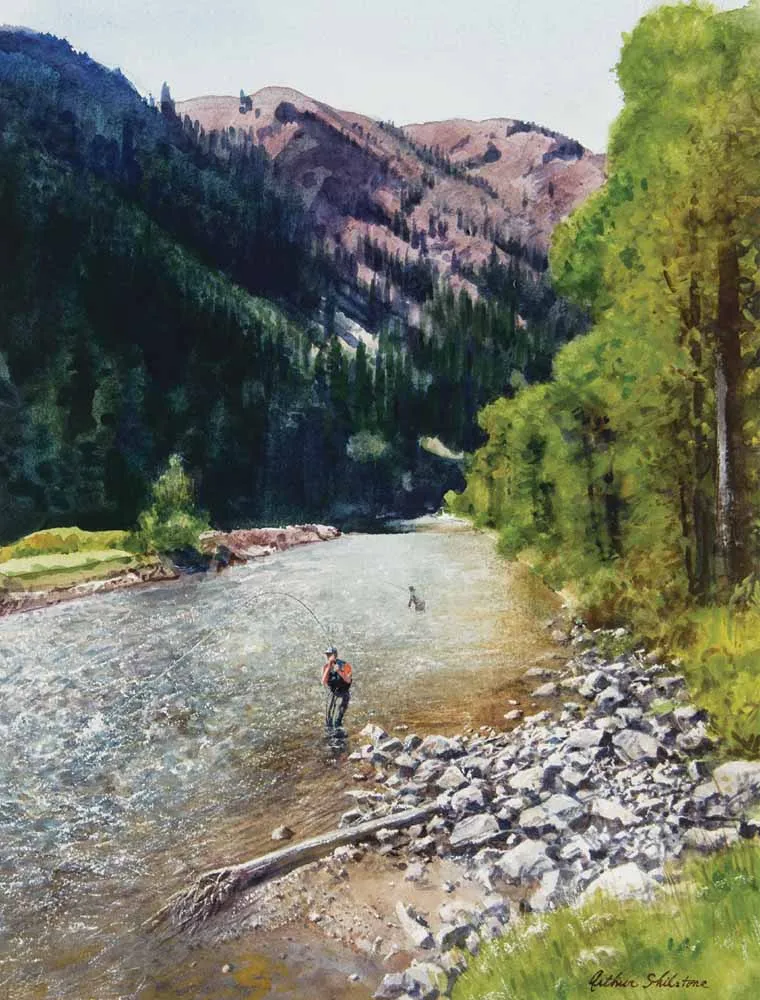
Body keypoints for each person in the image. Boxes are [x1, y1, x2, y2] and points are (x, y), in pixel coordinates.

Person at [322, 646, 352, 727]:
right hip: (332, 693)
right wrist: (329, 667)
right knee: (328, 719)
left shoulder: (345, 665)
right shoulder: (326, 667)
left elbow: (348, 680)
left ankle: (339, 733)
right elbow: (323, 681)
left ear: (335, 655)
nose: (328, 657)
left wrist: (339, 671)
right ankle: (329, 733)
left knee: (337, 720)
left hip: (343, 693)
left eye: (330, 655)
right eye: (327, 655)